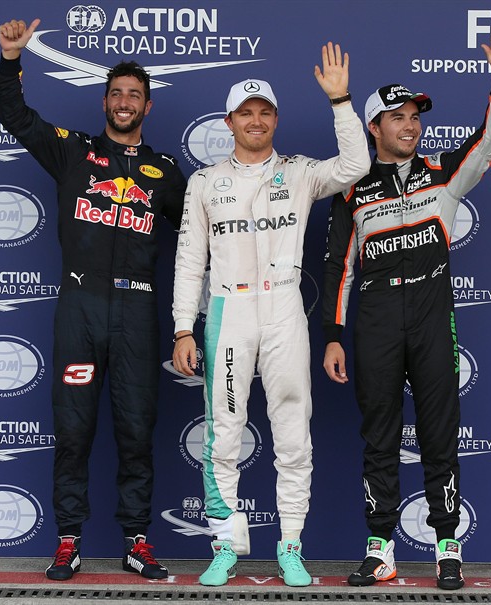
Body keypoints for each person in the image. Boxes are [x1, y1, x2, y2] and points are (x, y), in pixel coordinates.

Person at [322, 25, 491, 590]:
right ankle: (380, 545)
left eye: (416, 116)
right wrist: (335, 334)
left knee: (439, 432)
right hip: (377, 322)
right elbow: (338, 268)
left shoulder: (441, 175)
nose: (411, 125)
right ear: (374, 128)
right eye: (399, 117)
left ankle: (447, 545)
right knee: (379, 436)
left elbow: (488, 143)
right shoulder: (351, 188)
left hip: (433, 321)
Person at [171, 42, 369, 587]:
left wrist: (340, 101)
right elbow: (190, 261)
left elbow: (356, 164)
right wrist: (183, 328)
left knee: (292, 433)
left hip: (283, 308)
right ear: (229, 121)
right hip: (227, 310)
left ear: (275, 119)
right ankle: (225, 546)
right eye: (245, 113)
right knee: (224, 435)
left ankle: (290, 546)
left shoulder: (301, 172)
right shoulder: (205, 182)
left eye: (264, 112)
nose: (255, 120)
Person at [0, 19, 186, 581]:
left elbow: (206, 237)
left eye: (135, 96)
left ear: (147, 107)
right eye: (117, 93)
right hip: (80, 309)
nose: (124, 102)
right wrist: (11, 59)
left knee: (135, 429)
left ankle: (136, 541)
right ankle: (69, 540)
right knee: (73, 428)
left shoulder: (167, 173)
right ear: (105, 101)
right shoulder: (73, 153)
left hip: (137, 313)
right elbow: (17, 117)